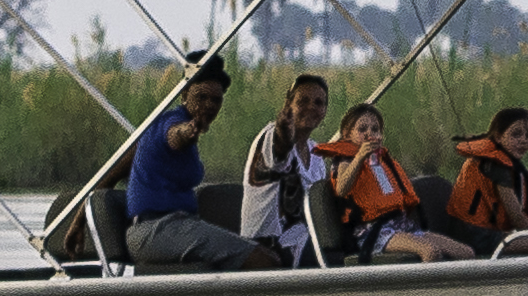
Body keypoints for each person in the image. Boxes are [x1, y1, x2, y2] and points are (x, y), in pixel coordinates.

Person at [122, 57, 286, 272]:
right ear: (183, 95)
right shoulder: (170, 123)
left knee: (269, 251)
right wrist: (189, 131)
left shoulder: (157, 129)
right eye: (201, 97)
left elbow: (127, 159)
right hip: (157, 230)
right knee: (263, 260)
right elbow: (175, 135)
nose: (209, 105)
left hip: (175, 226)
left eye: (215, 100)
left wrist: (81, 216)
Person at [314, 101, 472, 259]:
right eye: (362, 129)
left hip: (403, 228)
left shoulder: (384, 163)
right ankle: (422, 284)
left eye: (375, 129)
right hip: (373, 233)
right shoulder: (346, 160)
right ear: (348, 135)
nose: (370, 133)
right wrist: (360, 156)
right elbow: (341, 189)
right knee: (430, 251)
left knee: (466, 253)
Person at [240, 72, 334, 258]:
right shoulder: (271, 136)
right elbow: (280, 154)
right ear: (288, 104)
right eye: (302, 101)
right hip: (267, 246)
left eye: (318, 103)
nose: (311, 107)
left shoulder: (316, 152)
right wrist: (283, 133)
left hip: (304, 240)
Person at [446, 105, 528, 251]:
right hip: (475, 235)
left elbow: (516, 178)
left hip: (478, 231)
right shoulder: (497, 165)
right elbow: (516, 215)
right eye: (516, 134)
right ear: (498, 137)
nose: (524, 140)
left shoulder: (502, 160)